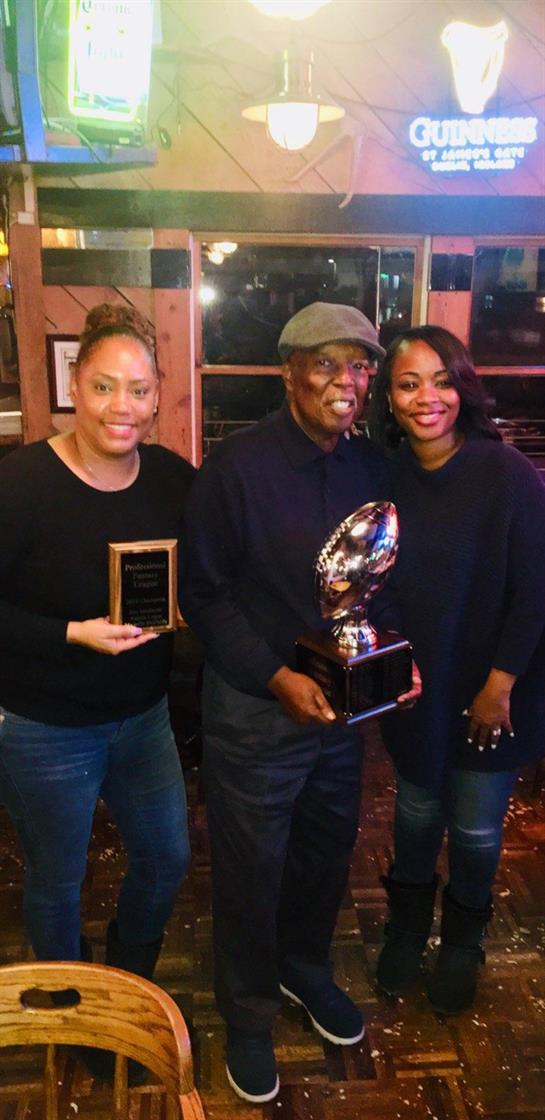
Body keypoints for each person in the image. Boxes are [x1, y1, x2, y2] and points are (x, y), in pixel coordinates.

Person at [180, 302, 420, 1104]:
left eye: (358, 365)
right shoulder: (235, 468)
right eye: (325, 363)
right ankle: (247, 1015)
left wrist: (391, 658)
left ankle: (304, 969)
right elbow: (203, 596)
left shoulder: (371, 467)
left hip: (340, 712)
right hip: (255, 712)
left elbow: (375, 582)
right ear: (289, 373)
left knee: (324, 852)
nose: (345, 380)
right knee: (251, 869)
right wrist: (273, 677)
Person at [0, 304, 195, 1075]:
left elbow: (204, 571)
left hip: (143, 717)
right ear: (74, 385)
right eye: (105, 386)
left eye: (139, 390)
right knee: (57, 879)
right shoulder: (19, 483)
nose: (122, 406)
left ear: (157, 396)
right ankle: (71, 1009)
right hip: (42, 726)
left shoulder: (173, 479)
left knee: (167, 858)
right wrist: (70, 633)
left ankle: (129, 981)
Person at [367, 325, 545, 1015]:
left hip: (497, 687)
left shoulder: (506, 473)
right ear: (389, 397)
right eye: (409, 383)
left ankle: (464, 942)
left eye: (442, 381)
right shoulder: (384, 478)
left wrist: (499, 685)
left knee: (473, 829)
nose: (427, 397)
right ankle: (407, 928)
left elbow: (535, 590)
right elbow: (376, 584)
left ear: (463, 387)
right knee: (415, 814)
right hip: (417, 686)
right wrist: (391, 658)